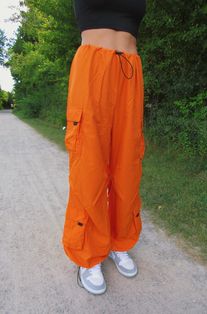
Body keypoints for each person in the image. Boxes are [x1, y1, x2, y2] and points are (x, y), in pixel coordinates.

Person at [61, 0, 147, 295]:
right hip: (92, 69)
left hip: (130, 71)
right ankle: (89, 253)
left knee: (128, 165)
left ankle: (120, 241)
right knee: (90, 165)